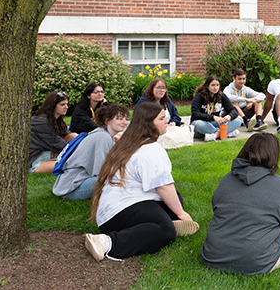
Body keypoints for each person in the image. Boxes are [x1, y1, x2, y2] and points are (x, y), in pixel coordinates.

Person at [84, 102, 200, 261]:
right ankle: (107, 242)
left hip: (114, 209)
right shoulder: (150, 150)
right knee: (165, 231)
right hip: (117, 214)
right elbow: (164, 187)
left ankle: (163, 222)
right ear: (149, 123)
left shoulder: (132, 141)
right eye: (161, 118)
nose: (166, 120)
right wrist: (181, 214)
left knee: (176, 198)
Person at [200, 133, 280, 275]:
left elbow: (216, 208)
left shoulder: (227, 179)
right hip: (256, 262)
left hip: (212, 255)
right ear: (274, 155)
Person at [52, 104, 129, 200]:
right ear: (107, 121)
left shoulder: (102, 134)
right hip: (72, 188)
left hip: (73, 183)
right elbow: (101, 172)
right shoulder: (102, 137)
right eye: (120, 119)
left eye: (126, 119)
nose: (125, 122)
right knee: (118, 180)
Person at [29, 92, 78, 173]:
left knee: (74, 136)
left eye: (66, 104)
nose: (66, 107)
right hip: (35, 160)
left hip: (47, 153)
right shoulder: (43, 122)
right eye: (62, 105)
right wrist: (83, 150)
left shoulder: (57, 120)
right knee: (70, 165)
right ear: (52, 107)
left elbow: (69, 136)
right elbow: (60, 145)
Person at [191, 75, 242, 142]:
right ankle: (225, 133)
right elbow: (195, 114)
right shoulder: (199, 97)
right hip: (203, 123)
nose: (215, 88)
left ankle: (215, 135)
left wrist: (229, 116)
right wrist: (213, 117)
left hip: (216, 123)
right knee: (198, 124)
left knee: (239, 120)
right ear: (207, 86)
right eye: (213, 85)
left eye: (217, 85)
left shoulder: (221, 96)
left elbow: (233, 110)